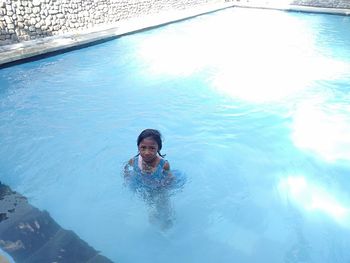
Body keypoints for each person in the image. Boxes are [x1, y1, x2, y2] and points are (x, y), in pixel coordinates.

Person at [124, 129, 174, 230]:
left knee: (164, 206)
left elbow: (170, 177)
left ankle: (167, 220)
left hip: (158, 189)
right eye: (143, 148)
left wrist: (164, 184)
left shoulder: (163, 164)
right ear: (138, 147)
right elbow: (126, 168)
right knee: (150, 204)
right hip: (143, 186)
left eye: (152, 148)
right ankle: (153, 218)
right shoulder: (134, 161)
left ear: (158, 148)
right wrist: (127, 177)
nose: (147, 152)